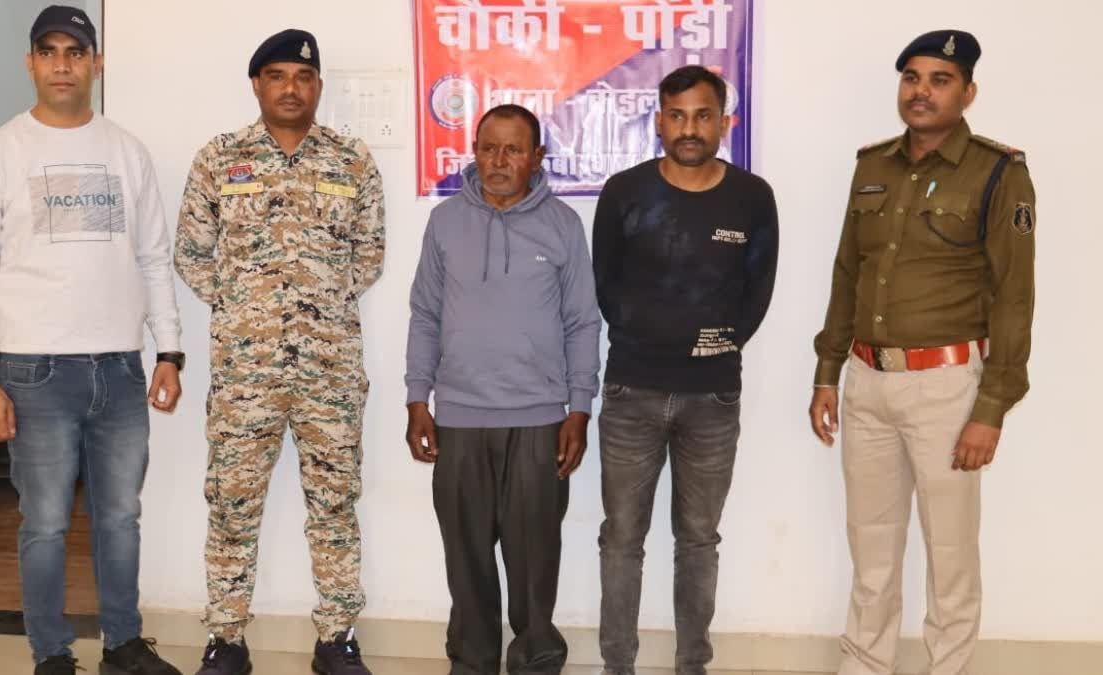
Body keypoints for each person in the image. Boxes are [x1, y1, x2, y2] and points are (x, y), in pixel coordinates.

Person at [0, 5, 184, 675]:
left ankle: (123, 644)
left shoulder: (127, 152)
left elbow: (153, 259)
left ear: (95, 64)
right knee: (46, 522)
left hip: (120, 369)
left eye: (75, 52)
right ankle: (51, 653)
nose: (61, 64)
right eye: (48, 51)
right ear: (30, 63)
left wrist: (168, 350)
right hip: (33, 373)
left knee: (120, 517)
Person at [808, 30, 1036, 675]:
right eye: (912, 77)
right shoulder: (872, 166)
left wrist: (991, 407)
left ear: (968, 92)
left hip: (947, 388)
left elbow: (1014, 296)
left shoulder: (999, 173)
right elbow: (847, 274)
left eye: (940, 80)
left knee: (951, 555)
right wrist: (827, 372)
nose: (921, 91)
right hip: (866, 380)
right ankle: (864, 665)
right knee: (871, 552)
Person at [174, 28, 385, 675]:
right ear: (257, 84)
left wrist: (318, 308)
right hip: (246, 375)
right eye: (278, 75)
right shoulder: (220, 158)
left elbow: (369, 255)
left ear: (317, 86)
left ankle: (337, 638)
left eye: (303, 76)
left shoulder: (351, 160)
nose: (291, 88)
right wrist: (244, 306)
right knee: (232, 509)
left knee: (335, 509)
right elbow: (191, 253)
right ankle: (226, 639)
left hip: (330, 373)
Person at [591, 65, 779, 675]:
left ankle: (692, 664)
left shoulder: (753, 197)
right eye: (677, 115)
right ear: (659, 122)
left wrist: (713, 346)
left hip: (712, 397)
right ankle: (618, 665)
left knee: (699, 540)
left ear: (725, 121)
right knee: (622, 538)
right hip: (631, 391)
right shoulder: (624, 192)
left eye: (702, 116)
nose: (689, 128)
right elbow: (606, 286)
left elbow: (756, 294)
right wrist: (654, 340)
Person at [404, 103, 601, 675]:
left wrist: (579, 408)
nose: (499, 160)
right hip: (459, 417)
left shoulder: (563, 225)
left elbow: (582, 322)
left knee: (534, 558)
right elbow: (425, 315)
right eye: (488, 147)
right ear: (474, 152)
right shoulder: (445, 222)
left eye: (513, 149)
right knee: (466, 559)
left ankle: (536, 658)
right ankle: (472, 662)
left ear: (537, 157)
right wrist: (418, 399)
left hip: (538, 420)